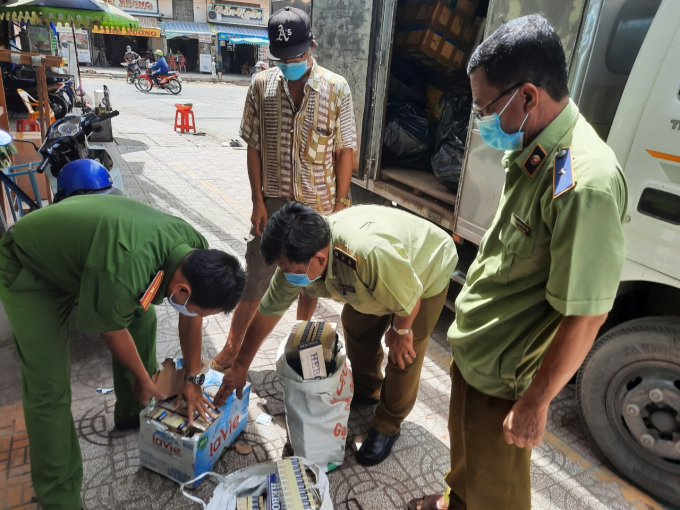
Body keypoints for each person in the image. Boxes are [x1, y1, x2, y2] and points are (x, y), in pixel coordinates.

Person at [409, 15, 628, 510]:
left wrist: (535, 402)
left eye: (486, 106)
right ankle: (455, 500)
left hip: (506, 375)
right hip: (478, 350)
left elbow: (587, 313)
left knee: (497, 489)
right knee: (467, 453)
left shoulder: (583, 182)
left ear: (528, 96)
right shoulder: (536, 147)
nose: (480, 119)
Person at [0, 195, 246, 510]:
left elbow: (191, 316)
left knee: (143, 319)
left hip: (88, 261)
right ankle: (59, 498)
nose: (195, 313)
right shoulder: (123, 272)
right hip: (32, 270)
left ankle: (132, 412)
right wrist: (144, 378)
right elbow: (113, 329)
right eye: (197, 307)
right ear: (183, 290)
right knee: (49, 390)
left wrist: (194, 379)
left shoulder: (194, 248)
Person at [215, 202, 458, 466]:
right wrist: (240, 366)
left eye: (294, 272)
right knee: (356, 323)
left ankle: (388, 425)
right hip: (382, 278)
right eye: (284, 270)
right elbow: (268, 312)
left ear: (320, 258)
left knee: (403, 353)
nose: (288, 277)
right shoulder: (296, 258)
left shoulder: (364, 254)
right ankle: (367, 390)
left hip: (424, 272)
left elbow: (409, 297)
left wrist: (400, 330)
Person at [210, 7, 357, 376]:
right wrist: (258, 201)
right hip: (274, 203)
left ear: (312, 46)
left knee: (310, 279)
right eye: (283, 58)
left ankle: (301, 337)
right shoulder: (261, 85)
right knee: (257, 272)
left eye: (297, 56)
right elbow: (253, 146)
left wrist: (341, 203)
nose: (290, 63)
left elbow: (345, 150)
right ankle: (233, 345)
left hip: (319, 201)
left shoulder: (336, 87)